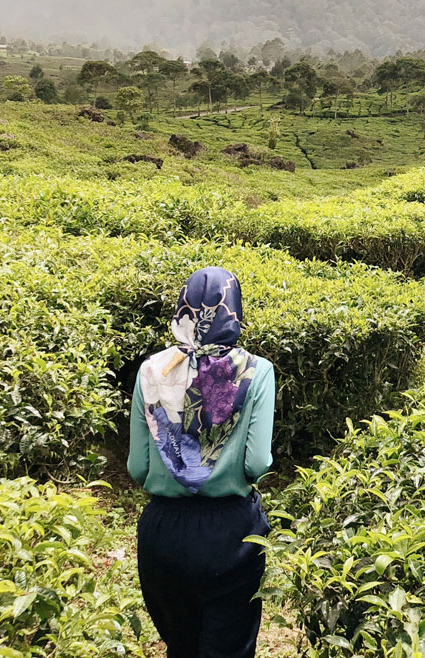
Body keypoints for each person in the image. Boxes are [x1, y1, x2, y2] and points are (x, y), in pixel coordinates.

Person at [129, 266, 276, 658]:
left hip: (163, 532)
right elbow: (257, 464)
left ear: (183, 309)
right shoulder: (258, 372)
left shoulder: (150, 370)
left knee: (181, 646)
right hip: (230, 534)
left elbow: (138, 469)